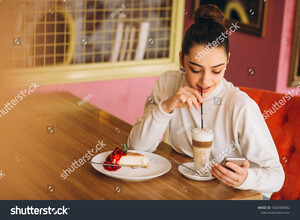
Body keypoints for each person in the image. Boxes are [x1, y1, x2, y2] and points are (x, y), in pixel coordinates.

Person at [127, 4, 284, 199]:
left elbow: (277, 176)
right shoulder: (168, 83)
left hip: (238, 198)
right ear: (182, 60)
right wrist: (166, 107)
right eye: (195, 69)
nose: (205, 81)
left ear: (227, 61)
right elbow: (137, 149)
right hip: (189, 191)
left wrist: (246, 177)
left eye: (217, 70)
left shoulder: (240, 106)